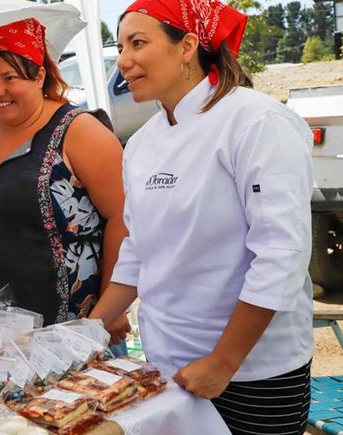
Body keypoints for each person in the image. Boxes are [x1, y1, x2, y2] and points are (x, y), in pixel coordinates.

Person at [88, 1, 314, 433]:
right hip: (168, 364)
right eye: (120, 47)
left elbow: (281, 253)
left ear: (187, 45)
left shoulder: (255, 121)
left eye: (138, 42)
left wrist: (223, 361)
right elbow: (139, 249)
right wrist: (87, 332)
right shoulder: (141, 144)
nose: (123, 61)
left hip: (251, 371)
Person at [0, 17, 131, 337]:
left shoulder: (79, 132)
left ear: (40, 75)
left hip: (72, 331)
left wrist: (106, 314)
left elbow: (123, 218)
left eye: (10, 78)